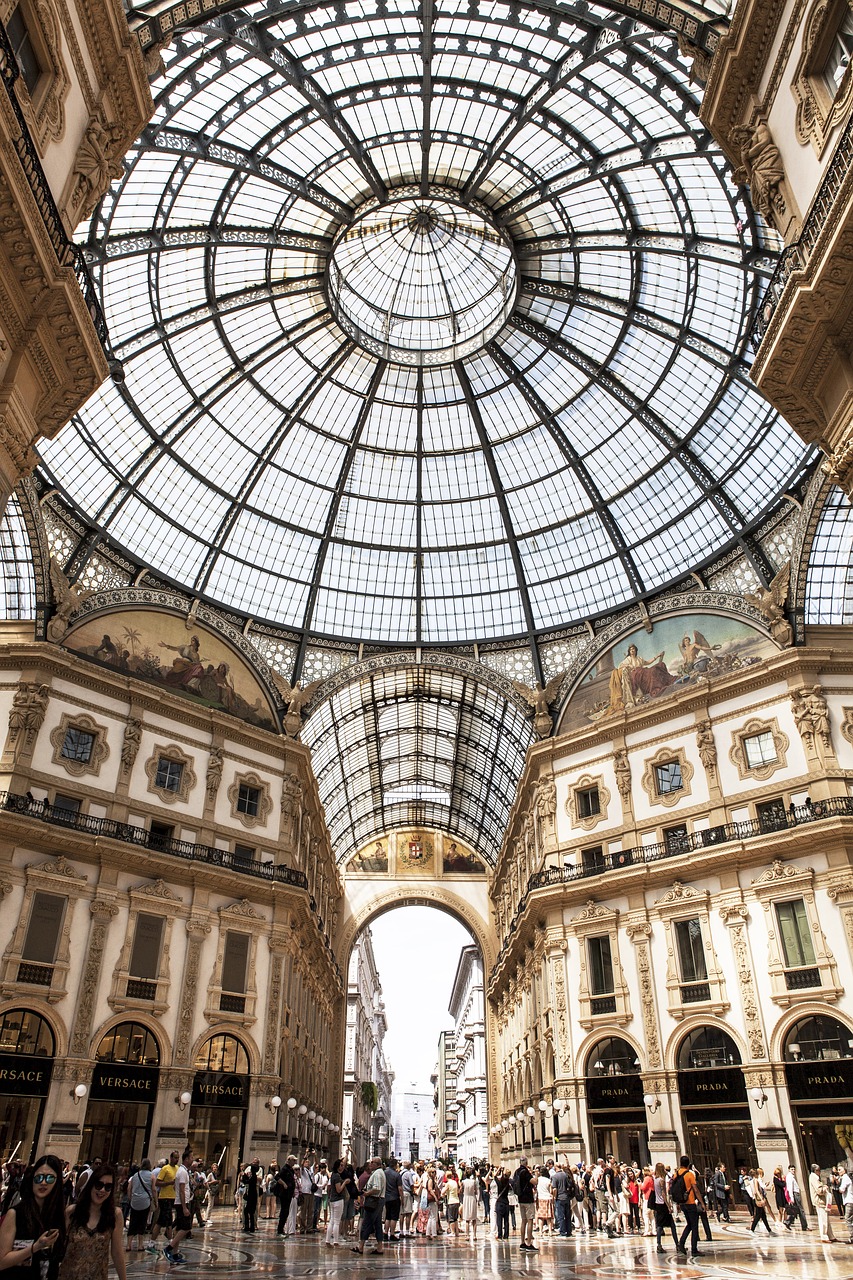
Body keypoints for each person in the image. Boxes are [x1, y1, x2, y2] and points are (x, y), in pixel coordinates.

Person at [0, 1154, 65, 1279]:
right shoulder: (15, 1213)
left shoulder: (57, 1215)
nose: (43, 1183)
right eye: (38, 1178)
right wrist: (36, 1247)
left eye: (50, 1178)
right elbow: (2, 1261)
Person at [60, 1163, 126, 1280]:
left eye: (108, 1187)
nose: (102, 1190)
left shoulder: (115, 1215)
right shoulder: (72, 1213)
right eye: (99, 1185)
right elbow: (59, 1247)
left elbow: (116, 1252)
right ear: (91, 1185)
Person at [352, 1157, 385, 1255]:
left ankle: (361, 1246)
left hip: (374, 1201)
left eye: (372, 1162)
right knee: (377, 1224)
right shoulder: (378, 1172)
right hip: (378, 1200)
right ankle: (379, 1247)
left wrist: (367, 1193)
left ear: (377, 1164)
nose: (370, 1164)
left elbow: (377, 1188)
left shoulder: (377, 1174)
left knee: (367, 1222)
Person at [673, 1154, 704, 1258]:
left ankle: (681, 1243)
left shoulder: (676, 1173)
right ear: (688, 1164)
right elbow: (695, 1189)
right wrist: (702, 1202)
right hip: (690, 1202)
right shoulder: (690, 1174)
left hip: (682, 1203)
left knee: (689, 1224)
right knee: (694, 1226)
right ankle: (694, 1249)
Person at [165, 1151, 193, 1265]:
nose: (192, 1159)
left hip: (181, 1202)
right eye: (191, 1157)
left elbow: (176, 1187)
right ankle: (169, 1248)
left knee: (179, 1228)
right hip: (182, 1203)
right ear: (186, 1159)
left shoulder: (182, 1171)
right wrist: (184, 1207)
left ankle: (175, 1254)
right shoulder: (182, 1172)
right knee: (187, 1227)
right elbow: (181, 1190)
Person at [649, 1161, 679, 1255]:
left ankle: (659, 1244)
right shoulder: (661, 1180)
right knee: (672, 1225)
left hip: (657, 1204)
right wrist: (668, 1205)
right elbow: (663, 1193)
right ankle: (677, 1244)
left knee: (659, 1225)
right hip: (662, 1204)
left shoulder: (655, 1179)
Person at [126, 1159, 154, 1253]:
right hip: (145, 1202)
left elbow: (129, 1188)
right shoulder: (151, 1176)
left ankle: (128, 1245)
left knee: (133, 1222)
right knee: (142, 1223)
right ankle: (140, 1245)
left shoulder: (135, 1175)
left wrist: (130, 1198)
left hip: (135, 1202)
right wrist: (155, 1201)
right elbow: (153, 1189)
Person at [152, 1152, 178, 1249]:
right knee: (168, 1220)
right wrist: (168, 1183)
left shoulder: (178, 1169)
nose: (177, 1159)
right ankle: (171, 1242)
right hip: (164, 1197)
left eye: (178, 1158)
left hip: (173, 1197)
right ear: (171, 1158)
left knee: (161, 1221)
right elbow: (157, 1182)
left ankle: (152, 1242)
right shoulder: (165, 1168)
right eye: (175, 1157)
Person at [514, 1156, 536, 1251]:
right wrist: (536, 1175)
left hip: (520, 1198)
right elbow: (534, 1182)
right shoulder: (525, 1172)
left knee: (523, 1221)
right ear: (526, 1163)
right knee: (530, 1220)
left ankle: (522, 1242)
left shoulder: (517, 1171)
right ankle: (529, 1243)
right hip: (528, 1198)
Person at [809, 1163, 834, 1242]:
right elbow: (819, 1190)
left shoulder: (816, 1177)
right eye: (818, 1170)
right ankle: (824, 1236)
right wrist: (824, 1187)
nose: (819, 1172)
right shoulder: (813, 1177)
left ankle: (831, 1236)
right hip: (819, 1200)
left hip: (822, 1201)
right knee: (823, 1219)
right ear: (815, 1170)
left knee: (826, 1219)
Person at [784, 1164, 809, 1230]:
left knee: (795, 1210)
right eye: (792, 1169)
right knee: (801, 1210)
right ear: (789, 1170)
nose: (793, 1170)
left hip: (795, 1194)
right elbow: (790, 1188)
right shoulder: (789, 1177)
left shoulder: (792, 1177)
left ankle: (788, 1221)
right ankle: (804, 1226)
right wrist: (791, 1197)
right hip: (795, 1194)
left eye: (794, 1169)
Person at [275, 1157, 296, 1235]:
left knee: (286, 1211)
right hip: (284, 1193)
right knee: (284, 1211)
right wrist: (283, 1184)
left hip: (289, 1193)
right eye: (293, 1160)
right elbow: (277, 1177)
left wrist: (293, 1191)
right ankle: (280, 1229)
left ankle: (282, 1227)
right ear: (289, 1160)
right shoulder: (284, 1168)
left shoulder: (290, 1169)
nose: (294, 1162)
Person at [550, 1163, 572, 1237]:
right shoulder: (565, 1175)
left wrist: (554, 1197)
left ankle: (562, 1232)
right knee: (568, 1215)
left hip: (559, 1198)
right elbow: (568, 1185)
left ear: (556, 1167)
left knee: (561, 1216)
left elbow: (555, 1189)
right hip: (566, 1197)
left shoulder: (554, 1177)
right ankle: (569, 1231)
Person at [749, 1168, 774, 1234]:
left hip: (757, 1198)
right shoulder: (756, 1180)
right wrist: (761, 1198)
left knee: (763, 1216)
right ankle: (752, 1230)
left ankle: (769, 1230)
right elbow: (757, 1190)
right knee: (758, 1215)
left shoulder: (754, 1180)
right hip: (758, 1199)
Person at [240, 1158, 261, 1233]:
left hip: (251, 1195)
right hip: (252, 1195)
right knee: (250, 1211)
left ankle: (248, 1227)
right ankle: (250, 1227)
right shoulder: (253, 1176)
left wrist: (244, 1176)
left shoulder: (253, 1177)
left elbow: (247, 1182)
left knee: (248, 1211)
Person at [383, 1158, 402, 1240]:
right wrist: (402, 1198)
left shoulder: (384, 1173)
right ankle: (392, 1234)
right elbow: (400, 1188)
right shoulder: (397, 1175)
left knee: (388, 1216)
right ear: (395, 1165)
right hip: (395, 1197)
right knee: (394, 1217)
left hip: (386, 1197)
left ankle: (385, 1232)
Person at [442, 1166, 461, 1236]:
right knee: (455, 1217)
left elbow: (442, 1192)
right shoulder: (454, 1182)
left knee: (451, 1218)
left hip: (451, 1201)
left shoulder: (448, 1183)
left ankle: (452, 1232)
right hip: (457, 1201)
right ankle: (457, 1232)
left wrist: (443, 1195)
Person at [493, 1167, 511, 1239]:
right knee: (506, 1220)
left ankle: (500, 1234)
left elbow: (494, 1176)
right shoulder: (508, 1183)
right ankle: (506, 1234)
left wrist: (499, 1169)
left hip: (500, 1202)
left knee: (499, 1220)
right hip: (506, 1202)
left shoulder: (499, 1183)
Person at [535, 1165, 553, 1235]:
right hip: (548, 1198)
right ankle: (550, 1232)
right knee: (549, 1217)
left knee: (541, 1217)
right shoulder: (548, 1180)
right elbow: (551, 1191)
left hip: (540, 1198)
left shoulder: (538, 1179)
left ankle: (540, 1231)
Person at [461, 1169, 479, 1240]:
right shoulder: (473, 1182)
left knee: (467, 1219)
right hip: (472, 1198)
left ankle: (467, 1235)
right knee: (474, 1218)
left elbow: (461, 1190)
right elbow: (476, 1192)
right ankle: (474, 1235)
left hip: (466, 1198)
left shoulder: (463, 1182)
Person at [840, 1163, 853, 1243]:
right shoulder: (846, 1178)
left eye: (840, 1169)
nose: (838, 1171)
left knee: (848, 1219)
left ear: (844, 1170)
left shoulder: (845, 1178)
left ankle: (852, 1237)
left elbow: (842, 1189)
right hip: (850, 1200)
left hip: (849, 1201)